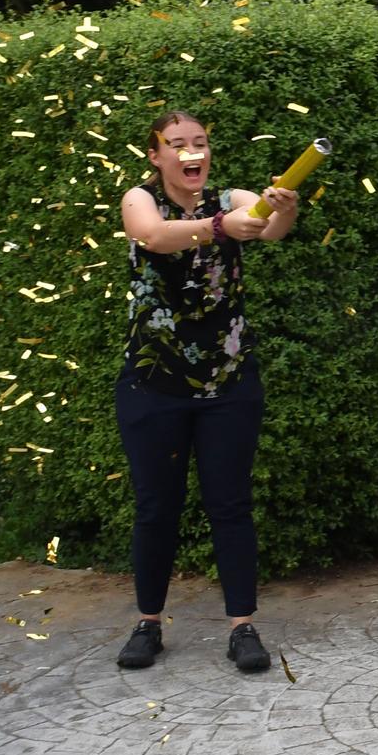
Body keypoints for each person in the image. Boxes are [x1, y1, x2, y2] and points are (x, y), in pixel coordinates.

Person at [113, 111, 301, 672]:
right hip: (153, 384)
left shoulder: (232, 195)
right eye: (177, 144)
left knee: (231, 504)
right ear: (156, 155)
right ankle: (148, 623)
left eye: (200, 143)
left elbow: (264, 226)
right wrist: (220, 227)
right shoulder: (139, 199)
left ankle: (242, 628)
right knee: (155, 508)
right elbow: (153, 236)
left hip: (229, 382)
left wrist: (281, 212)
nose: (191, 152)